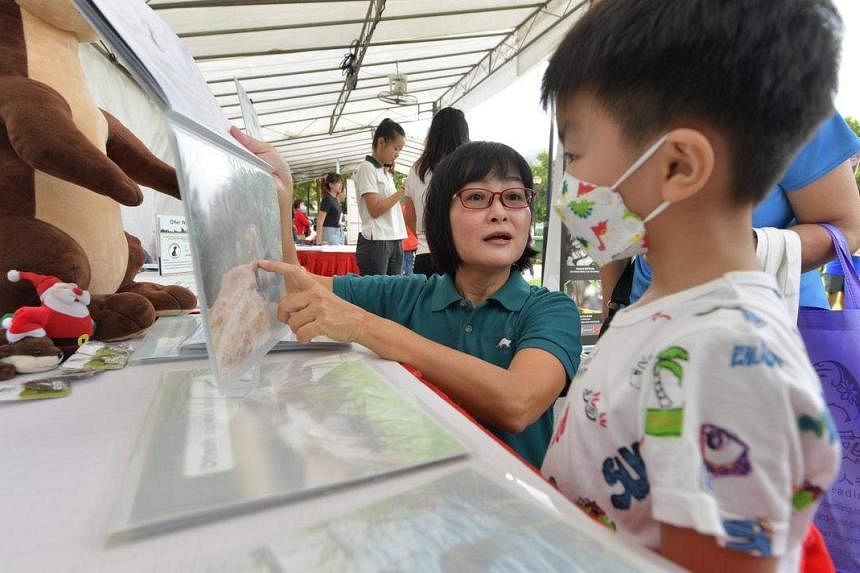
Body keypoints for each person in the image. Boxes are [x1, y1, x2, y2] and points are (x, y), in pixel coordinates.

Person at [539, 1, 841, 572]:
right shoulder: (667, 306)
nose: (570, 185)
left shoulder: (727, 358)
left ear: (678, 166)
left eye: (575, 154)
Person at [249, 141, 582, 469]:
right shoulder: (409, 294)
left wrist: (364, 326)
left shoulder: (551, 310)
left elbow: (518, 403)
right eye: (476, 198)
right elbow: (291, 287)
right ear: (440, 218)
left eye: (514, 197)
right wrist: (281, 196)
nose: (499, 213)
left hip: (514, 513)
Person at [610, 114, 860, 312]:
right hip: (648, 316)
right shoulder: (636, 90)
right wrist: (612, 308)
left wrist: (729, 250)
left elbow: (847, 229)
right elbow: (611, 227)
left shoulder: (793, 99)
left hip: (772, 327)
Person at [404, 107, 470, 276]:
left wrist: (427, 234)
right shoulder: (468, 167)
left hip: (425, 254)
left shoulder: (417, 169)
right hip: (460, 254)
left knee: (427, 302)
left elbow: (409, 215)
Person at [353, 118, 408, 275]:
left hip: (394, 238)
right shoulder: (367, 168)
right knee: (375, 295)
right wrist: (401, 192)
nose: (397, 154)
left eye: (400, 150)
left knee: (393, 293)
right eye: (396, 148)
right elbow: (375, 210)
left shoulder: (385, 172)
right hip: (376, 240)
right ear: (381, 142)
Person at [315, 172, 346, 246]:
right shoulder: (327, 199)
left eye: (341, 183)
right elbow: (320, 221)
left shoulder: (335, 198)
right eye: (338, 182)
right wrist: (318, 241)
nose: (341, 185)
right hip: (329, 233)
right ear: (331, 184)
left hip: (338, 233)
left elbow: (343, 196)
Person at [401, 201, 418, 275]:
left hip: (405, 242)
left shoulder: (402, 209)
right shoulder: (413, 209)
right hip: (411, 241)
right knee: (409, 263)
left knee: (406, 264)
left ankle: (409, 279)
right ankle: (410, 279)